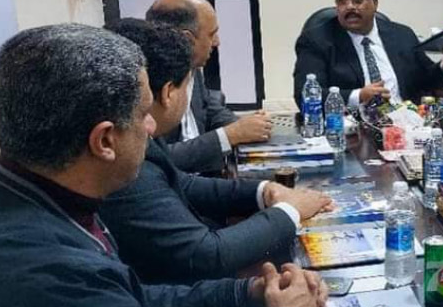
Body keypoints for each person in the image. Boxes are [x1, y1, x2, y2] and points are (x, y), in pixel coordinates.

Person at [0, 23, 328, 307]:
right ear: (104, 141)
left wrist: (246, 293)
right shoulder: (44, 274)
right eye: (142, 115)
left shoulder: (44, 194)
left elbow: (131, 300)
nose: (153, 128)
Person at [100, 19, 331, 284]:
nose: (149, 123)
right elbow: (207, 255)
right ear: (168, 93)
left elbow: (182, 183)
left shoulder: (139, 132)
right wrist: (289, 211)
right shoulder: (127, 161)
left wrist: (264, 191)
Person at [294, 0, 443, 108]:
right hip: (353, 127)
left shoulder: (402, 35)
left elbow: (425, 80)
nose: (349, 6)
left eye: (357, 0)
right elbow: (305, 95)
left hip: (406, 124)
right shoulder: (316, 40)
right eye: (342, 1)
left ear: (375, 4)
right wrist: (359, 96)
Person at [147, 0, 273, 174]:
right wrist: (230, 134)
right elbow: (156, 160)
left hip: (205, 172)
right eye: (212, 34)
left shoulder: (193, 67)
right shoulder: (146, 81)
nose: (217, 42)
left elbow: (210, 109)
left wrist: (248, 125)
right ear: (187, 39)